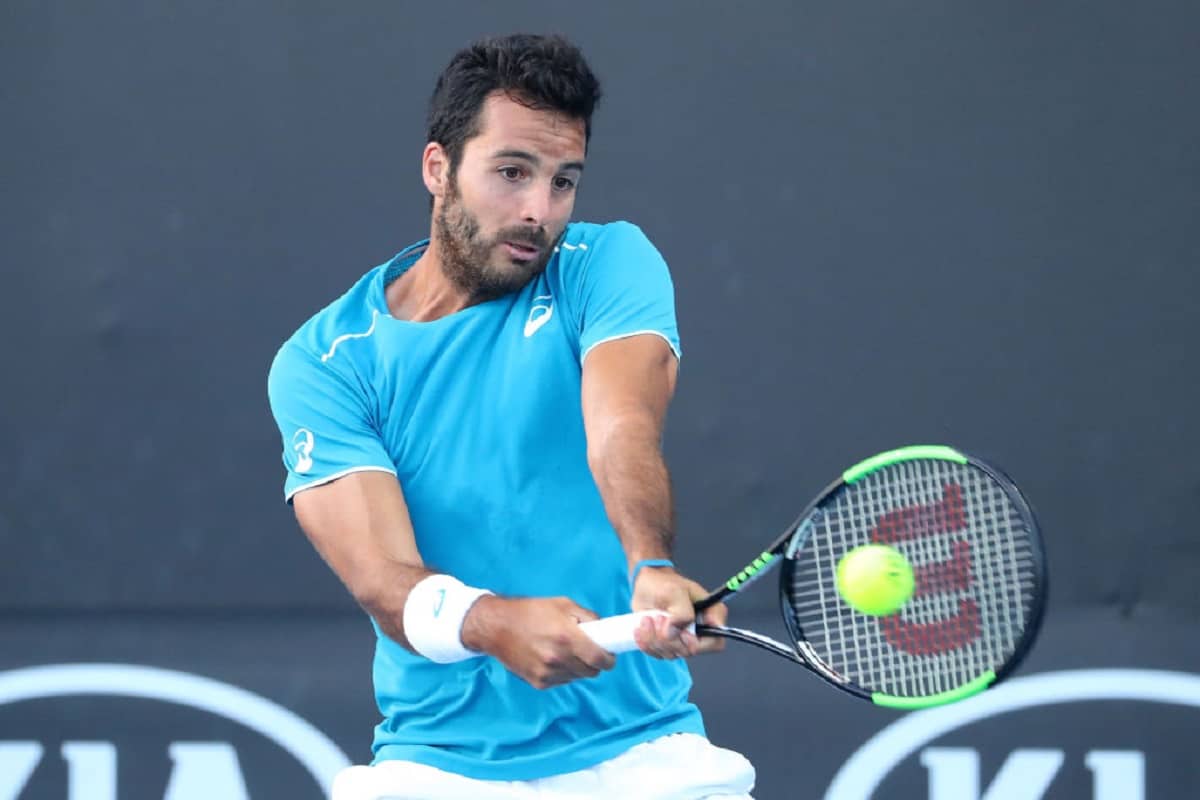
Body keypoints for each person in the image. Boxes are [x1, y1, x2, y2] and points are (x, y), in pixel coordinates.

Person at [267, 33, 756, 800]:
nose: (539, 210)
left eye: (564, 181)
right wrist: (494, 624)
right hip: (437, 767)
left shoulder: (604, 264)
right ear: (439, 168)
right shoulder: (327, 362)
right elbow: (383, 579)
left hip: (647, 757)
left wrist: (650, 565)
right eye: (512, 172)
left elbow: (620, 427)